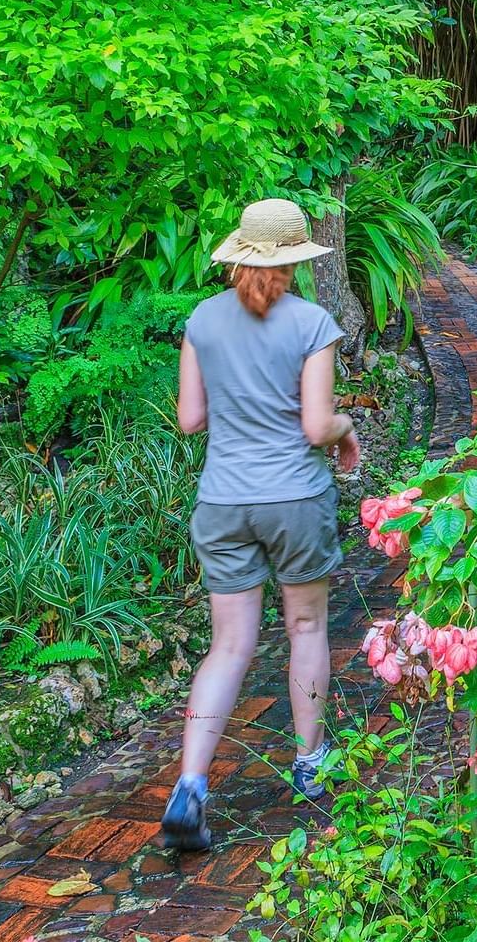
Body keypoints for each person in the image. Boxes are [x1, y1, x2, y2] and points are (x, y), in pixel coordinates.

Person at [159, 199, 360, 852]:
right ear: (298, 257)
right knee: (304, 625)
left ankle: (190, 785)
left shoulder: (201, 319)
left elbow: (190, 419)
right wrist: (346, 429)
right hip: (294, 498)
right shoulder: (312, 323)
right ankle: (308, 762)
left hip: (222, 501)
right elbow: (314, 425)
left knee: (228, 647)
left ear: (239, 252)